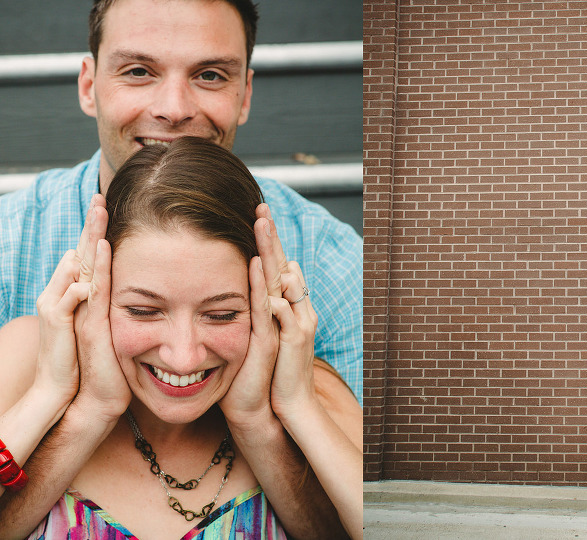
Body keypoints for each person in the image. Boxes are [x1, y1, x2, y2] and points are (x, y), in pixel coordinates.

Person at [0, 137, 362, 539]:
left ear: (267, 300)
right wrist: (78, 407)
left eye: (222, 315)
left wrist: (265, 419)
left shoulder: (310, 392)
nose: (184, 356)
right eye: (143, 310)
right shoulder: (25, 361)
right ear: (94, 290)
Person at [0, 0, 362, 400]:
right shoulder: (8, 244)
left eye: (210, 75)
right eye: (138, 71)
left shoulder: (334, 265)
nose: (174, 110)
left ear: (244, 95)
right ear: (89, 87)